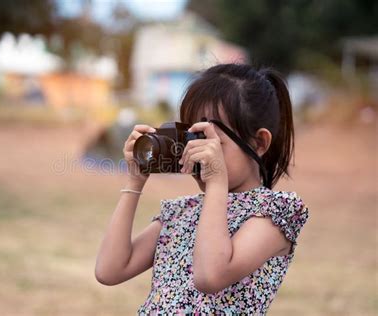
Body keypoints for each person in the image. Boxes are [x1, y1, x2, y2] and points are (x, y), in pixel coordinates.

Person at [94, 63, 309, 315]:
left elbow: (210, 276)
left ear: (260, 142)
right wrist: (134, 182)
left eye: (212, 142)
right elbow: (110, 270)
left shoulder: (273, 214)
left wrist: (216, 182)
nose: (199, 152)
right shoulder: (181, 212)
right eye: (193, 139)